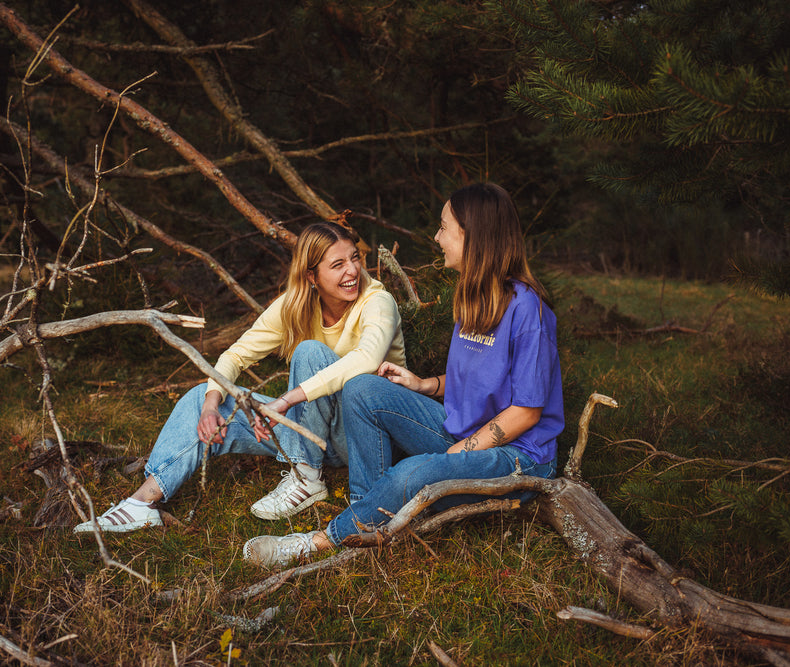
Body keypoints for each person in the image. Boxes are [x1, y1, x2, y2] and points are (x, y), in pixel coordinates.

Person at [242, 182, 563, 567]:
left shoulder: (529, 312)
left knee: (413, 473)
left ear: (473, 236)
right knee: (362, 387)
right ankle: (366, 516)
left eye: (444, 228)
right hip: (461, 428)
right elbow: (483, 381)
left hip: (518, 455)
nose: (436, 237)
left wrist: (458, 455)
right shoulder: (474, 295)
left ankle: (319, 542)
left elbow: (526, 412)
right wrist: (428, 385)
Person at [74, 221, 405, 533]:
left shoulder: (378, 302)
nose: (352, 271)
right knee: (201, 397)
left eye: (355, 259)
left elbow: (367, 358)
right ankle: (142, 503)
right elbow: (235, 355)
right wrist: (210, 406)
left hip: (362, 439)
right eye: (338, 265)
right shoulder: (295, 305)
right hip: (313, 432)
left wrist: (286, 400)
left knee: (309, 353)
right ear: (311, 276)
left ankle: (306, 479)